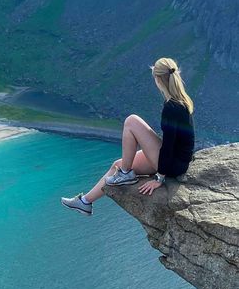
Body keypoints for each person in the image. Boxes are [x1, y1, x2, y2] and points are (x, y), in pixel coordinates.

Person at [61, 57, 195, 216]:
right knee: (117, 164)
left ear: (158, 80)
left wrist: (159, 179)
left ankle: (125, 174)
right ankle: (85, 202)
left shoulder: (171, 107)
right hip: (178, 159)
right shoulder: (180, 100)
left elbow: (168, 146)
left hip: (174, 164)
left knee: (131, 121)